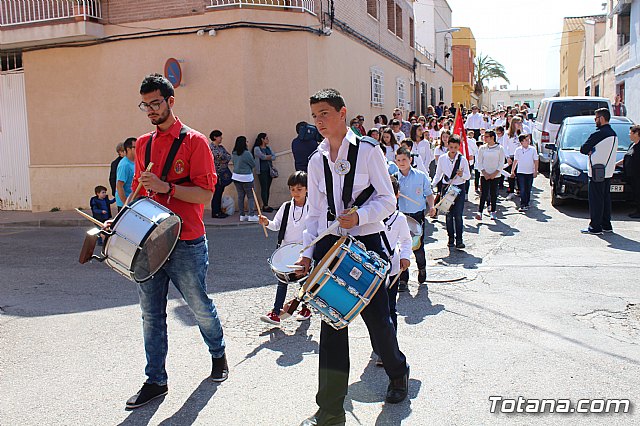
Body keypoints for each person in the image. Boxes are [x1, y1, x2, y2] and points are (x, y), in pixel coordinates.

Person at [295, 89, 409, 426]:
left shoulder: (369, 151)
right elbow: (315, 213)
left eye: (325, 113)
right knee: (332, 325)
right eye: (315, 114)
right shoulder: (316, 160)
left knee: (378, 324)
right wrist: (307, 253)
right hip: (332, 246)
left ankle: (398, 371)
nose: (319, 121)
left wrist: (359, 217)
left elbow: (388, 200)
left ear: (342, 113)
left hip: (367, 245)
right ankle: (330, 409)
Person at [124, 73, 227, 409]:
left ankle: (218, 353)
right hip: (150, 240)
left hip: (187, 240)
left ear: (171, 101)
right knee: (151, 315)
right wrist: (122, 217)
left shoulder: (195, 142)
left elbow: (206, 194)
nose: (151, 110)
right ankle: (156, 380)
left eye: (156, 103)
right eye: (146, 105)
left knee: (199, 307)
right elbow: (140, 191)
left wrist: (167, 187)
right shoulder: (143, 144)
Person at [259, 171, 312, 325]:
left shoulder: (312, 207)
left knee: (304, 282)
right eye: (292, 189)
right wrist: (266, 222)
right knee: (282, 282)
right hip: (285, 250)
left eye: (299, 189)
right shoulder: (286, 206)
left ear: (307, 189)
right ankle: (275, 313)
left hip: (303, 252)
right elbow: (276, 225)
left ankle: (306, 308)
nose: (295, 192)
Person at [377, 175, 411, 357]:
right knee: (377, 311)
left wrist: (405, 257)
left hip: (392, 269)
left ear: (397, 195)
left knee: (390, 308)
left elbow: (406, 241)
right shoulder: (372, 216)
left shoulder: (400, 219)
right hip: (374, 271)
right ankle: (379, 346)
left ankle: (390, 348)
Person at [394, 147, 436, 289]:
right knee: (400, 247)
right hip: (400, 217)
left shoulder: (420, 176)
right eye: (398, 160)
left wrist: (431, 206)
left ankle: (422, 268)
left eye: (404, 159)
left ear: (410, 159)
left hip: (417, 215)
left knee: (417, 246)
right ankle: (403, 278)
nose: (401, 163)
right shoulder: (393, 178)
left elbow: (429, 194)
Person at [579, 108, 618, 234]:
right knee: (606, 199)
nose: (595, 121)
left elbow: (584, 149)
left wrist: (591, 150)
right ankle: (606, 225)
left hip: (596, 172)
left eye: (596, 118)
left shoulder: (598, 134)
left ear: (601, 118)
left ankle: (595, 226)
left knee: (596, 200)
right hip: (607, 172)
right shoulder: (613, 133)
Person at [433, 135, 471, 248]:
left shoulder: (462, 159)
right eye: (451, 147)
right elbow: (438, 174)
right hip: (447, 188)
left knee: (458, 215)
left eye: (455, 147)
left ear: (459, 147)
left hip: (459, 188)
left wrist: (461, 175)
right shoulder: (442, 158)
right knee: (448, 215)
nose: (453, 150)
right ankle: (450, 239)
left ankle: (459, 240)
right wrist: (432, 185)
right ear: (448, 146)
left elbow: (468, 176)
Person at [476, 130, 506, 221]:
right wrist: (484, 173)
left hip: (495, 175)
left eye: (487, 137)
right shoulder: (482, 148)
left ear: (492, 137)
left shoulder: (500, 148)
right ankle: (480, 211)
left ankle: (493, 211)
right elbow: (479, 162)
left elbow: (501, 163)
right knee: (484, 193)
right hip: (484, 175)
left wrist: (494, 173)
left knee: (493, 193)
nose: (484, 138)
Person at [232, 136, 258, 222]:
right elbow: (253, 164)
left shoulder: (234, 153)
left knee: (240, 196)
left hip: (236, 176)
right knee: (250, 196)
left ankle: (242, 215)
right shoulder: (247, 153)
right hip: (246, 177)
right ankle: (251, 215)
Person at [617, 125, 640, 218]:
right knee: (635, 193)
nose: (629, 135)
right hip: (631, 175)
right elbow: (626, 158)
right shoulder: (632, 145)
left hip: (638, 174)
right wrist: (616, 164)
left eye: (631, 133)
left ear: (637, 134)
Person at [511, 134, 538, 212]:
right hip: (521, 172)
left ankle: (527, 202)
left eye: (528, 140)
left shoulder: (533, 149)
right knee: (522, 189)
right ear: (521, 142)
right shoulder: (518, 150)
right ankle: (523, 204)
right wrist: (513, 170)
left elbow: (536, 161)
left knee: (528, 188)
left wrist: (535, 171)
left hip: (529, 172)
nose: (528, 141)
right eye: (526, 140)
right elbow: (515, 161)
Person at [209, 130, 232, 218]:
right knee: (217, 193)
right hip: (216, 174)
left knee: (220, 192)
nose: (221, 138)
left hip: (222, 174)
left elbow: (228, 156)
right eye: (220, 137)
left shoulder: (221, 147)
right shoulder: (211, 147)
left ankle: (219, 211)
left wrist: (223, 158)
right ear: (215, 137)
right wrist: (223, 158)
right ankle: (215, 212)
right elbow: (219, 157)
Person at [253, 132, 277, 213]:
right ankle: (265, 205)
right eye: (266, 138)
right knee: (264, 187)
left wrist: (267, 157)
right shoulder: (257, 148)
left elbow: (274, 157)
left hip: (269, 170)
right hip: (262, 171)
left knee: (267, 188)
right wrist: (268, 157)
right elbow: (262, 157)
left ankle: (266, 204)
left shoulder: (268, 148)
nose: (268, 140)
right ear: (262, 139)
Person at [115, 138, 136, 212]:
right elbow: (119, 185)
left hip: (134, 201)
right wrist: (126, 205)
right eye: (135, 147)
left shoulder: (136, 162)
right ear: (128, 149)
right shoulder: (124, 165)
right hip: (126, 203)